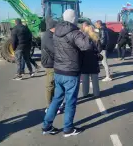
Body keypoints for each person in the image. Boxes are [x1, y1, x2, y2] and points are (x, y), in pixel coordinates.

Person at [42, 9, 93, 137]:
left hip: (58, 70)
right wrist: (87, 32)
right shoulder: (75, 33)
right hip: (70, 72)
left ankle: (46, 126)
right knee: (70, 102)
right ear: (74, 19)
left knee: (56, 100)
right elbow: (86, 46)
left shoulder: (56, 32)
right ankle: (68, 129)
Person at [41, 20, 64, 115]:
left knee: (54, 84)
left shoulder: (50, 35)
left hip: (52, 62)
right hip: (50, 63)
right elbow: (55, 50)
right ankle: (50, 106)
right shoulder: (48, 36)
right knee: (50, 85)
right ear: (53, 27)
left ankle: (54, 104)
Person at [81, 25, 101, 98]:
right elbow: (99, 49)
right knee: (95, 79)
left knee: (85, 79)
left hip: (85, 60)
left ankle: (85, 93)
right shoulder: (96, 37)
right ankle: (96, 93)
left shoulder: (83, 37)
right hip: (94, 60)